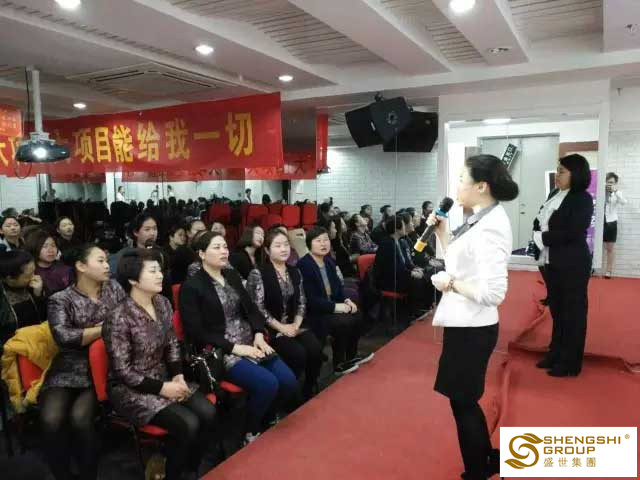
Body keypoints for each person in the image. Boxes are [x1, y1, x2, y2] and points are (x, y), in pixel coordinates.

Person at [428, 154, 518, 480]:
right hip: (464, 323)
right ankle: (485, 459)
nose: (457, 186)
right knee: (462, 400)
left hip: (473, 327)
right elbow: (461, 258)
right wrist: (442, 233)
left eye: (462, 179)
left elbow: (493, 292)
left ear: (481, 186)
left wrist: (450, 284)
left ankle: (478, 469)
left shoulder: (492, 226)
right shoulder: (480, 217)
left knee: (463, 401)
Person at [104, 248, 216, 480]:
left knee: (208, 412)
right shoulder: (118, 317)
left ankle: (188, 467)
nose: (160, 275)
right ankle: (171, 473)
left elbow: (172, 343)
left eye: (160, 270)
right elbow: (123, 371)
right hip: (131, 389)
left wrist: (177, 375)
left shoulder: (163, 303)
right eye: (153, 271)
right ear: (133, 280)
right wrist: (163, 388)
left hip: (164, 376)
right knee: (188, 424)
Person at [179, 232, 299, 444]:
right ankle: (250, 431)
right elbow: (196, 331)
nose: (223, 251)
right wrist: (235, 348)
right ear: (202, 254)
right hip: (222, 350)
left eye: (225, 247)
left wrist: (259, 333)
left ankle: (266, 418)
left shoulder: (231, 276)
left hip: (251, 342)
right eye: (217, 247)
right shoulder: (192, 287)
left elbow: (251, 309)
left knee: (288, 381)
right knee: (268, 384)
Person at [40, 244, 126, 480]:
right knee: (51, 419)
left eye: (107, 260)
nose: (107, 266)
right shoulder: (61, 299)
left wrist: (92, 332)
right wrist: (103, 328)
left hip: (104, 364)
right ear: (81, 266)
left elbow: (126, 320)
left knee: (80, 419)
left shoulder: (114, 288)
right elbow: (64, 337)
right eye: (100, 261)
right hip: (69, 365)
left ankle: (89, 475)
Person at [532, 154, 594, 377]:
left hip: (573, 262)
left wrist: (542, 238)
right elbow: (540, 219)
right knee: (558, 311)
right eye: (557, 171)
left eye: (561, 172)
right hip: (551, 261)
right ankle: (555, 353)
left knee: (573, 314)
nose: (556, 175)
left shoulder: (583, 199)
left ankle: (570, 362)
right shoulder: (554, 194)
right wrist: (537, 232)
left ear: (575, 174)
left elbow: (573, 232)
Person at [246, 229, 323, 400]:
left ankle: (308, 388)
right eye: (278, 246)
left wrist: (295, 325)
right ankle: (288, 395)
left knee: (315, 349)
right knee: (298, 354)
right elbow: (258, 308)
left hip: (294, 325)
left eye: (286, 245)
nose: (283, 249)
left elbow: (302, 301)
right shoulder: (258, 274)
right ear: (267, 250)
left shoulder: (294, 271)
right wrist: (282, 328)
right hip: (271, 329)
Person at [297, 226, 373, 375]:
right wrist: (337, 307)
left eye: (326, 240)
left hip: (331, 306)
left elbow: (338, 287)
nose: (323, 244)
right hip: (315, 312)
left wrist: (346, 300)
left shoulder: (329, 261)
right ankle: (339, 364)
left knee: (357, 314)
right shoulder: (304, 265)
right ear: (309, 243)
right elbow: (311, 300)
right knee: (343, 322)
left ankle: (351, 356)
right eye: (318, 241)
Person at [0, 250, 45, 346]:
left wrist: (38, 295)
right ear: (10, 279)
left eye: (34, 271)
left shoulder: (33, 285)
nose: (34, 277)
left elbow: (44, 317)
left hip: (38, 341)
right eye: (28, 275)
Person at [25, 230, 72, 297]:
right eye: (45, 246)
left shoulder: (65, 268)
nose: (50, 250)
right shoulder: (30, 272)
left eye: (53, 245)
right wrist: (37, 292)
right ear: (34, 247)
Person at [603, 172, 626, 279]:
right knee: (593, 245)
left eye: (611, 182)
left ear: (615, 183)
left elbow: (624, 202)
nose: (609, 184)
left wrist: (615, 191)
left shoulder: (618, 193)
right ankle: (591, 267)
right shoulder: (601, 192)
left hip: (611, 223)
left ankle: (608, 271)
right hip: (599, 222)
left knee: (610, 248)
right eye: (607, 182)